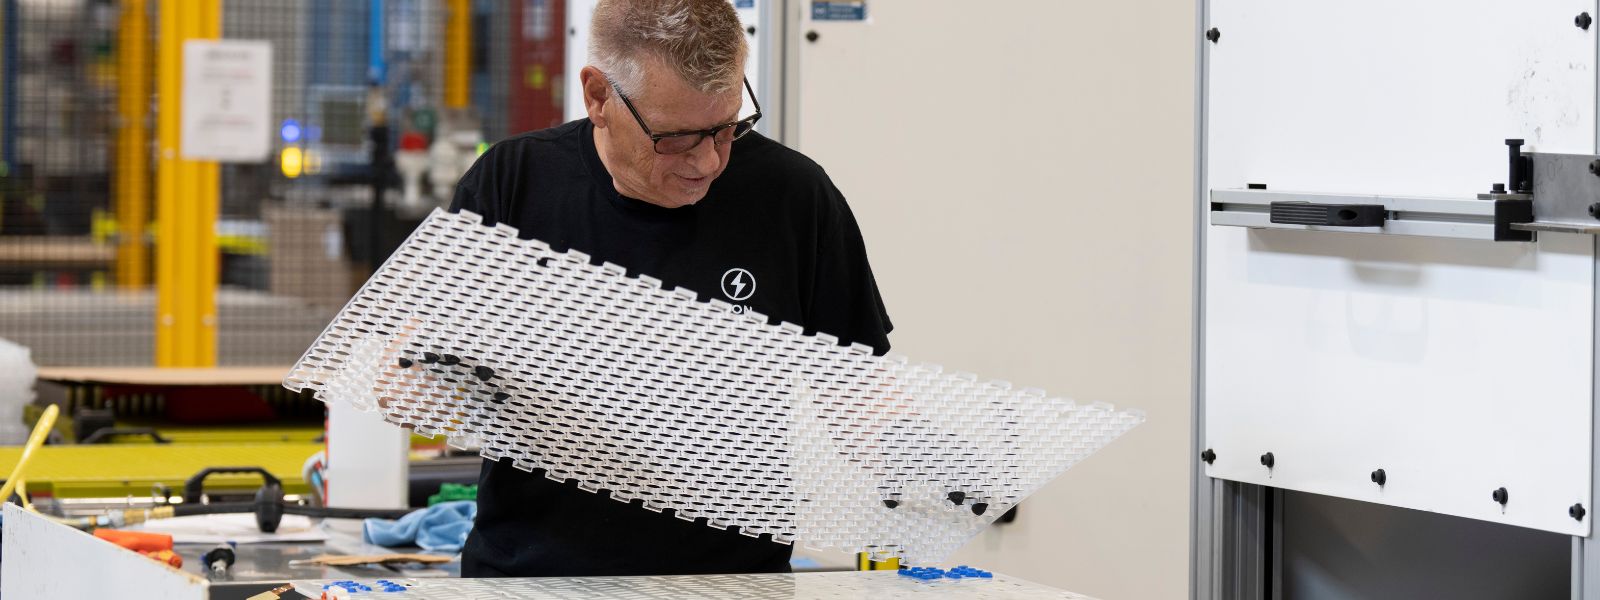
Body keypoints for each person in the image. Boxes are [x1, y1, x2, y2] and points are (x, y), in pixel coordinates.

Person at [450, 0, 893, 577]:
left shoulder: (795, 199)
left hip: (732, 585)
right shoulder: (511, 187)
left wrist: (926, 462)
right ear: (598, 97)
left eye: (729, 127)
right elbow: (413, 371)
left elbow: (859, 395)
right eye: (678, 137)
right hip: (532, 578)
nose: (709, 161)